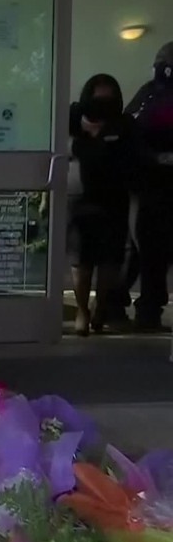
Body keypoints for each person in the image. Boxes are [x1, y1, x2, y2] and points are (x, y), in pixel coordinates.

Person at [106, 42, 173, 331]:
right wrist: (157, 157)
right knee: (147, 248)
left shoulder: (150, 93)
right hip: (148, 182)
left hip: (149, 182)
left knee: (143, 248)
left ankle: (123, 304)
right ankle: (139, 308)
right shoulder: (151, 95)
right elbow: (133, 132)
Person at [67, 74, 136, 335]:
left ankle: (101, 305)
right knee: (81, 260)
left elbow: (131, 157)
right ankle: (82, 310)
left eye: (109, 99)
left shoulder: (123, 124)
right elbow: (64, 147)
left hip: (113, 199)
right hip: (79, 199)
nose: (103, 105)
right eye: (98, 98)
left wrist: (98, 143)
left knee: (110, 260)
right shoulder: (73, 119)